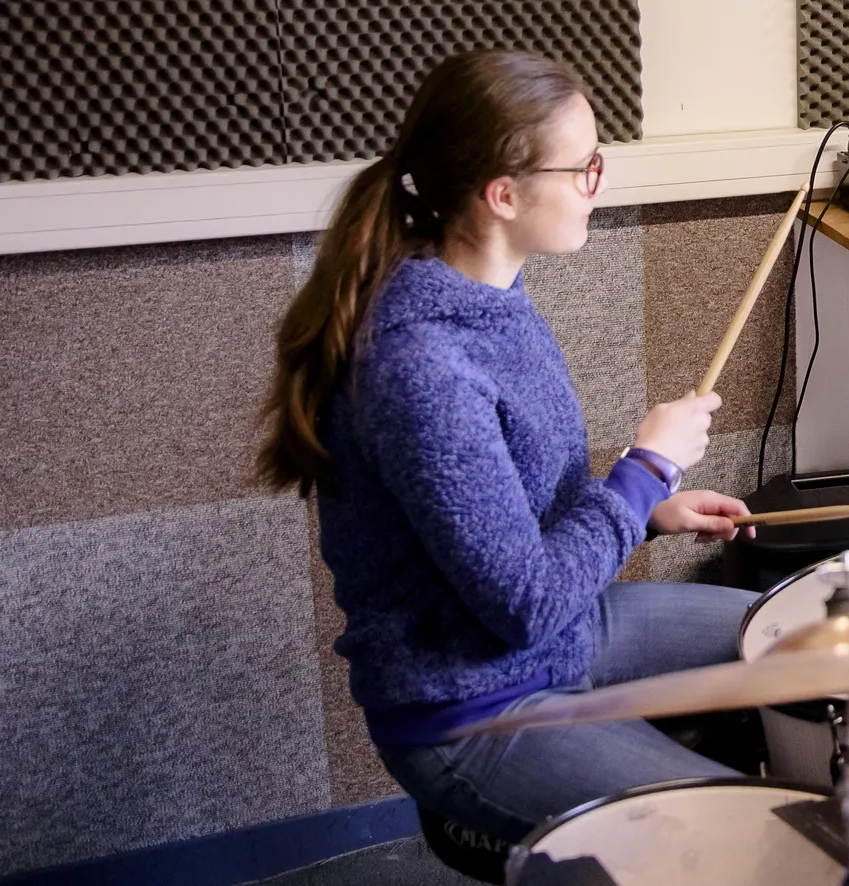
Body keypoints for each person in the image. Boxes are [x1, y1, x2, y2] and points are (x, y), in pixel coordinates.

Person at [257, 48, 759, 843]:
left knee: (791, 633)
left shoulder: (491, 299)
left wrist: (648, 507)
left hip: (554, 637)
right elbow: (524, 603)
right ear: (502, 194)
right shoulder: (420, 364)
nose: (600, 182)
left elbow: (504, 510)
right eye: (584, 166)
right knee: (745, 830)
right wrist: (643, 469)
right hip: (473, 701)